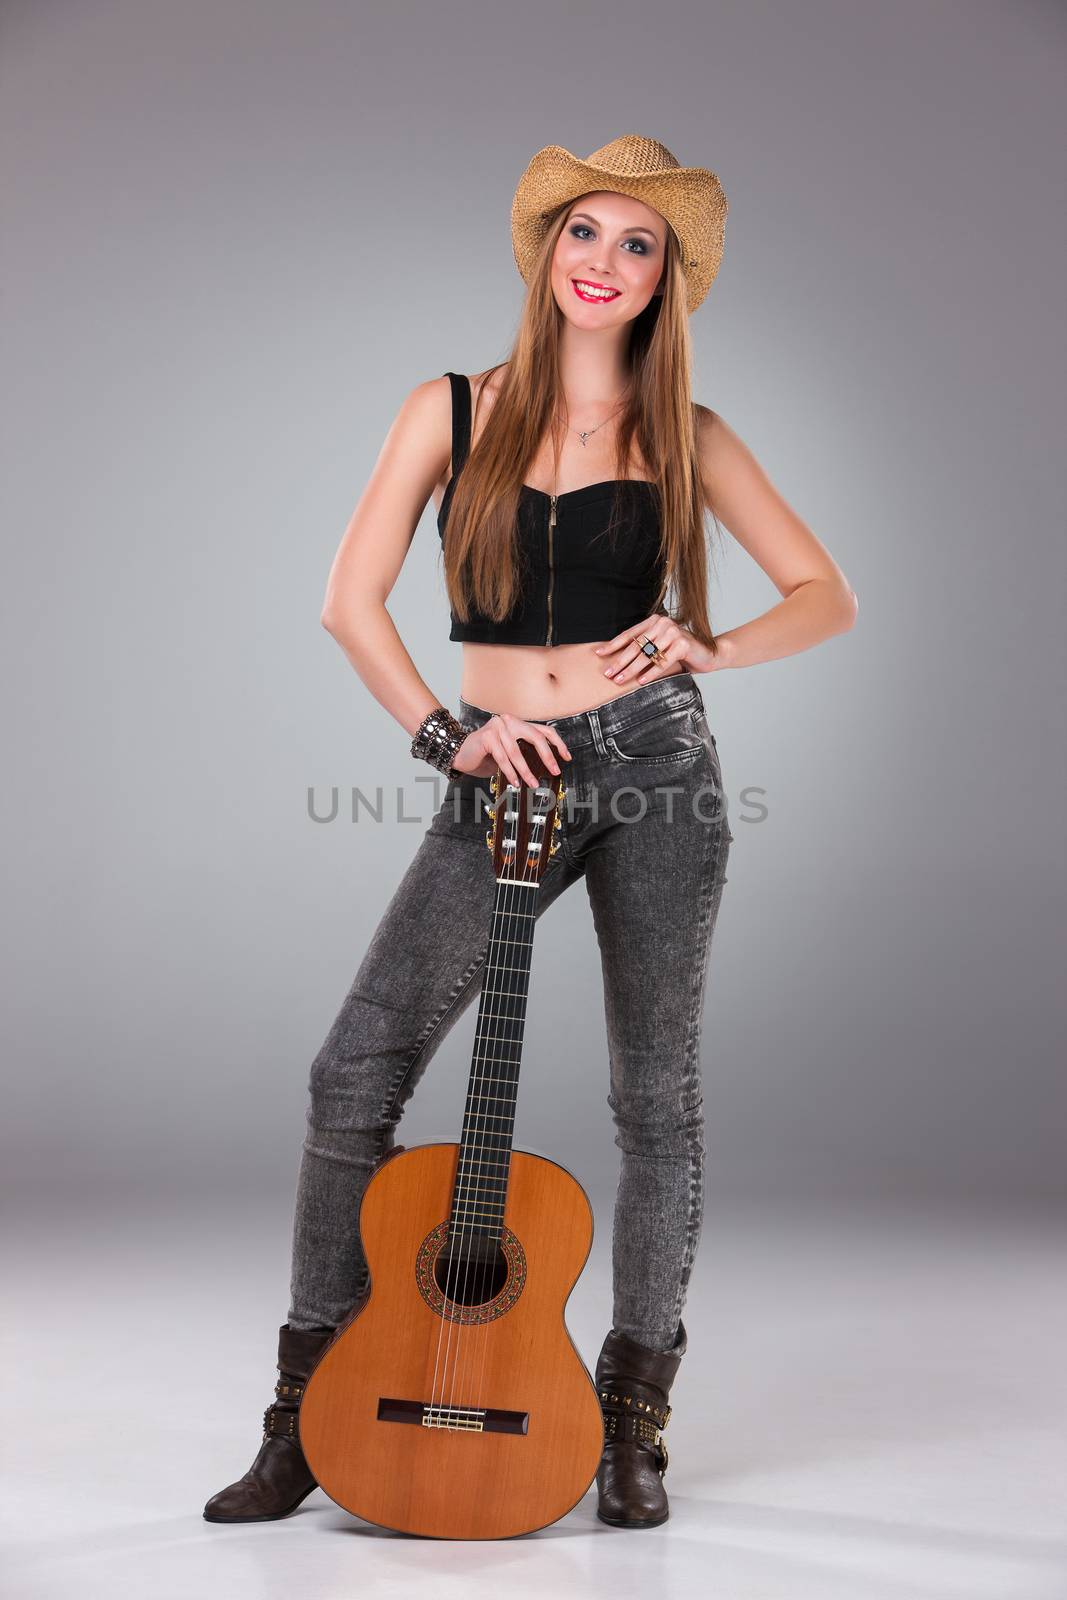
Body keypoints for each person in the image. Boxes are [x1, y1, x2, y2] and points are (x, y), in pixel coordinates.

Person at [204, 134, 858, 1533]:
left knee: (653, 1100)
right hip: (499, 771)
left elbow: (825, 594)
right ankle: (305, 1411)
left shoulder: (686, 431)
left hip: (659, 773)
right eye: (587, 236)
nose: (607, 265)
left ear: (665, 278)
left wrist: (712, 643)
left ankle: (632, 1421)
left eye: (638, 246)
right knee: (356, 1069)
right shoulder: (452, 408)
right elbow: (349, 600)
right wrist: (449, 735)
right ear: (546, 253)